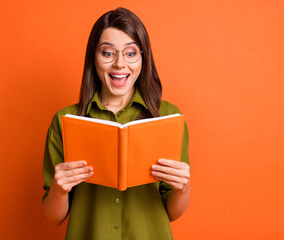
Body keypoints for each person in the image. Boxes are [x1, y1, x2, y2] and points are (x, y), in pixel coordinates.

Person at [42, 7, 190, 240]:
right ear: (94, 57)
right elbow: (55, 217)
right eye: (108, 53)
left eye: (131, 53)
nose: (120, 64)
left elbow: (173, 213)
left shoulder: (169, 117)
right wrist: (59, 190)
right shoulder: (65, 121)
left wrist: (182, 188)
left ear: (143, 57)